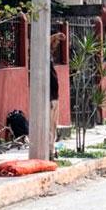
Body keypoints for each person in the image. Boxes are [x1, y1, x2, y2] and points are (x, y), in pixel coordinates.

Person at [49, 31, 66, 159]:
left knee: (54, 125)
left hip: (54, 96)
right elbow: (45, 44)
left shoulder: (49, 56)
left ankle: (52, 150)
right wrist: (54, 36)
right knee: (49, 126)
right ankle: (49, 151)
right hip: (49, 97)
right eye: (55, 43)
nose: (55, 46)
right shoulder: (42, 56)